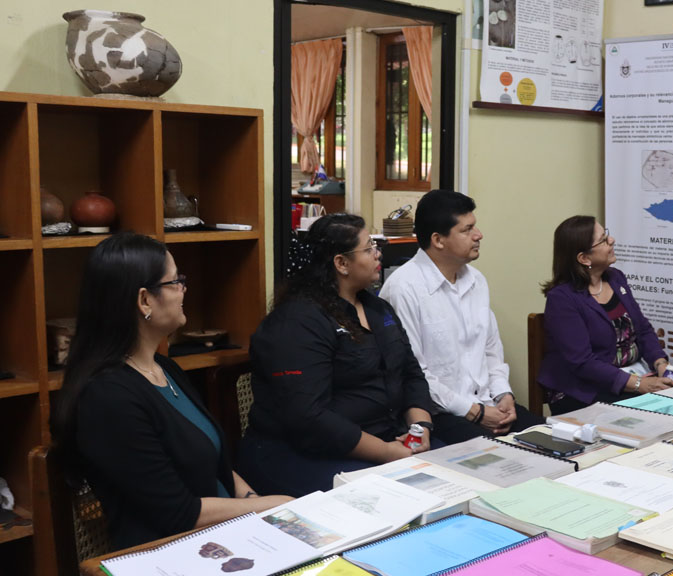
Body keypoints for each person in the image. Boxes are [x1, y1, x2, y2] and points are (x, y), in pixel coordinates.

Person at [51, 233, 291, 550]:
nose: (183, 289)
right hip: (172, 551)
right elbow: (177, 514)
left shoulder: (165, 368)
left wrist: (257, 503)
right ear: (144, 301)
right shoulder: (108, 398)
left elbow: (215, 465)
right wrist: (273, 505)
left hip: (226, 533)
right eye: (175, 281)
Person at [238, 213, 436, 497]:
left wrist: (420, 428)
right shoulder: (297, 321)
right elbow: (310, 417)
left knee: (454, 477)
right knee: (391, 501)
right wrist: (387, 453)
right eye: (368, 249)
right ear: (341, 263)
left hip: (388, 441)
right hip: (307, 454)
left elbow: (410, 373)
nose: (378, 253)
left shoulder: (378, 309)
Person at [381, 190, 544, 442]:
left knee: (552, 438)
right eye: (467, 230)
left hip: (487, 403)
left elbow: (490, 352)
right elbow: (414, 374)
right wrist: (475, 413)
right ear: (438, 240)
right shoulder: (404, 289)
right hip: (441, 415)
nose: (478, 235)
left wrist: (504, 397)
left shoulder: (477, 281)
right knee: (500, 463)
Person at [538, 216, 673, 415]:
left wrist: (662, 365)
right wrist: (641, 385)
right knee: (658, 413)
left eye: (607, 234)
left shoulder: (615, 278)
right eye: (603, 239)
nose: (611, 240)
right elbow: (583, 363)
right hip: (584, 389)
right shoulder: (562, 299)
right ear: (584, 258)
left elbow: (643, 329)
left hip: (632, 376)